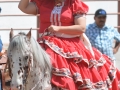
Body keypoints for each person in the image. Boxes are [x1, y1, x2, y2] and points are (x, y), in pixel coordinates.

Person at [10, 0, 120, 90]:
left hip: (69, 45)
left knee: (72, 77)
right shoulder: (44, 2)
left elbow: (81, 28)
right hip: (45, 44)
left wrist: (59, 28)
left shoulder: (74, 4)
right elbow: (22, 7)